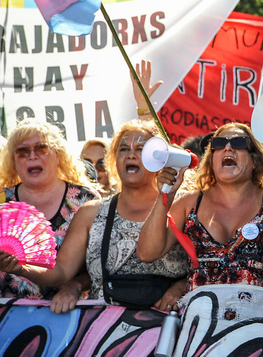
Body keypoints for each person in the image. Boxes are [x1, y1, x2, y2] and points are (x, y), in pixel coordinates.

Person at [0, 121, 190, 313]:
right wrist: (20, 269)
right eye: (124, 149)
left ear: (161, 158)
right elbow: (61, 271)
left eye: (141, 149)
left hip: (168, 327)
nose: (131, 154)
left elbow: (209, 264)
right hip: (101, 331)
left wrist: (181, 286)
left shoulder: (184, 205)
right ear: (114, 160)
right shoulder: (90, 212)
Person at [137, 123, 263, 291]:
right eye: (218, 144)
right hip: (202, 312)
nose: (227, 148)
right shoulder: (189, 202)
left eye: (238, 143)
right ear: (211, 160)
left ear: (255, 160)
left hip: (258, 312)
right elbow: (147, 253)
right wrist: (165, 196)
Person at [0, 118, 101, 299]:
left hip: (71, 315)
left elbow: (103, 266)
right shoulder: (2, 202)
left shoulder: (85, 200)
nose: (32, 156)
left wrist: (76, 285)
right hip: (7, 315)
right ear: (13, 161)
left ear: (58, 155)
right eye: (22, 151)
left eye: (41, 148)